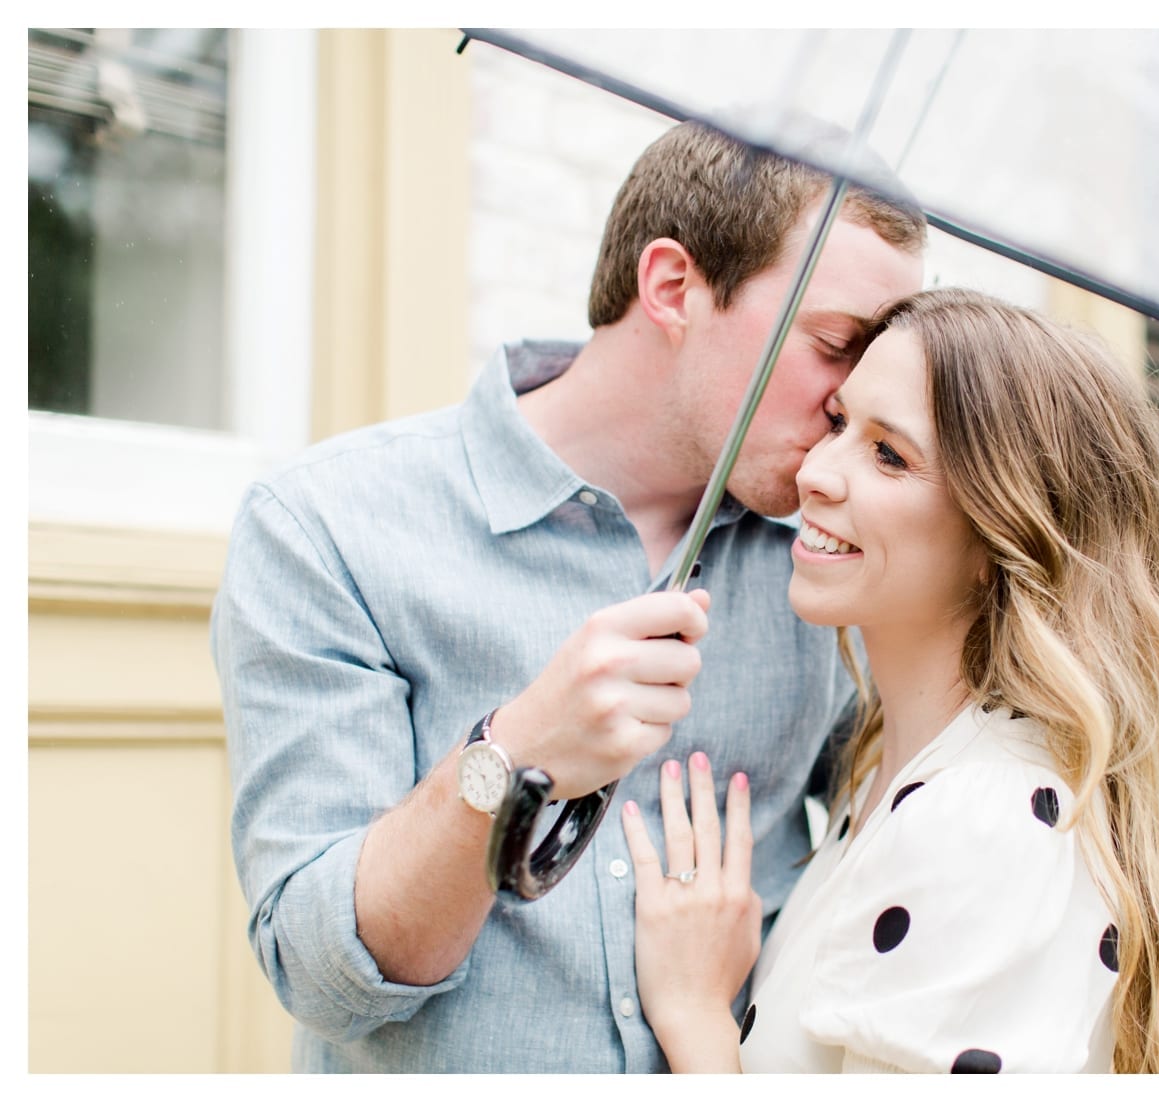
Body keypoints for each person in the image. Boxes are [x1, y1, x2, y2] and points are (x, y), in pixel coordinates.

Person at [211, 120, 925, 1072]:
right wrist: (514, 754)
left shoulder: (839, 553)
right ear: (673, 287)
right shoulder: (326, 527)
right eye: (836, 343)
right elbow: (319, 972)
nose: (853, 396)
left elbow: (894, 867)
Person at [623, 287, 1159, 1073]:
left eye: (889, 454)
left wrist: (695, 1011)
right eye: (839, 423)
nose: (815, 473)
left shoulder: (983, 818)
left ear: (1001, 534)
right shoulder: (897, 772)